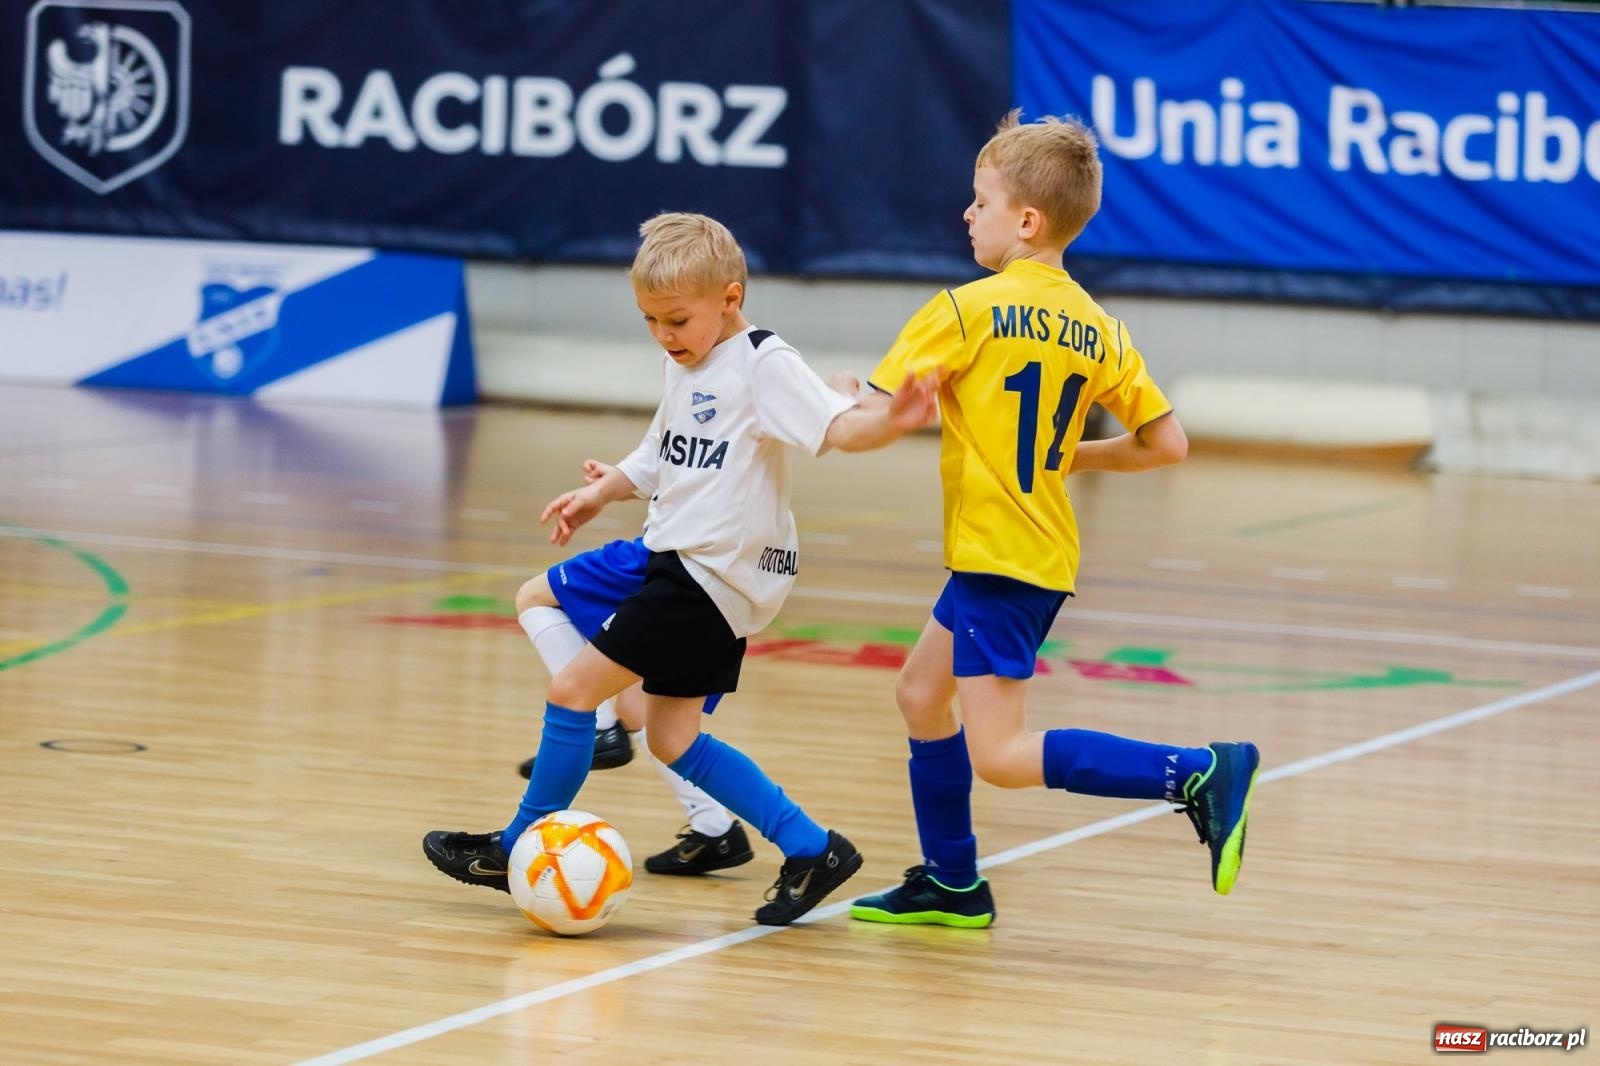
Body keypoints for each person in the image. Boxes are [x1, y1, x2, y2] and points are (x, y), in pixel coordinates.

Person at [423, 211, 939, 925]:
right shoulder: (685, 362)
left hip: (707, 574)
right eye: (650, 321)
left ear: (730, 298)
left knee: (575, 692)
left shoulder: (763, 362)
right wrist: (602, 490)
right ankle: (813, 847)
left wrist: (895, 419)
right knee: (671, 737)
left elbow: (838, 425)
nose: (665, 336)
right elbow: (662, 453)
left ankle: (513, 847)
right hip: (692, 567)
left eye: (677, 319)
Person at [843, 111, 1260, 929]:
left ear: (1027, 221)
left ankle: (1197, 772)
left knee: (999, 754)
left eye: (981, 200)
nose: (968, 214)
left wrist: (823, 401)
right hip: (1028, 551)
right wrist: (1072, 456)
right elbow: (1166, 443)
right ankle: (953, 883)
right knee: (921, 694)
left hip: (1002, 558)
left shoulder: (967, 309)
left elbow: (871, 409)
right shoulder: (1098, 327)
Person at [514, 508, 754, 877]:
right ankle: (715, 829)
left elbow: (672, 459)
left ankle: (601, 729)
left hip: (672, 554)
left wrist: (610, 486)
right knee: (639, 704)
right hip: (705, 557)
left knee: (534, 597)